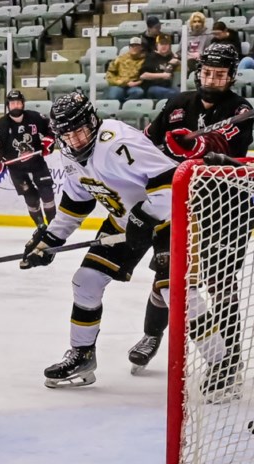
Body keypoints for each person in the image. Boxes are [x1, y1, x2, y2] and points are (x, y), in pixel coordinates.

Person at [20, 91, 177, 388]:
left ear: (92, 122)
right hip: (124, 222)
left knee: (178, 294)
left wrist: (144, 216)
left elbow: (170, 180)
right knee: (86, 281)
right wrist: (50, 240)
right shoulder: (68, 155)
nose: (76, 140)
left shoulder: (116, 141)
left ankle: (222, 362)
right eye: (68, 134)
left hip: (168, 221)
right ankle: (82, 355)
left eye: (80, 131)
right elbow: (76, 204)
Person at [134, 43, 254, 386]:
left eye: (220, 75)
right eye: (207, 73)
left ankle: (229, 360)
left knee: (220, 283)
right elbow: (149, 141)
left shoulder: (241, 109)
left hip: (227, 208)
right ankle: (151, 335)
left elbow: (224, 150)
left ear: (230, 77)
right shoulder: (177, 103)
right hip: (182, 204)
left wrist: (196, 147)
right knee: (167, 272)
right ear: (198, 72)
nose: (212, 80)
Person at [0, 90, 57, 227]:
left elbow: (52, 129)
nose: (16, 106)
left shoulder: (35, 117)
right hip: (16, 169)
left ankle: (53, 226)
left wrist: (49, 140)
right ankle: (40, 226)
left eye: (18, 103)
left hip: (37, 163)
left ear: (23, 104)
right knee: (31, 198)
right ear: (8, 105)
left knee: (47, 193)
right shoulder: (1, 124)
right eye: (12, 103)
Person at [138, 34, 180, 100]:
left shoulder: (172, 57)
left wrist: (179, 62)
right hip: (152, 87)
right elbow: (143, 75)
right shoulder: (150, 57)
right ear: (157, 46)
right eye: (161, 44)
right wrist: (162, 75)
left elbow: (187, 70)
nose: (164, 46)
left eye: (166, 44)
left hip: (168, 86)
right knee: (173, 94)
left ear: (170, 46)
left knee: (183, 94)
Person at [106, 37, 146, 103]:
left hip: (134, 85)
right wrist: (124, 82)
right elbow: (110, 74)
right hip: (119, 84)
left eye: (137, 46)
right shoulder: (120, 59)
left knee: (138, 92)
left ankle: (124, 106)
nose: (134, 48)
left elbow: (146, 76)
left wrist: (138, 82)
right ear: (129, 47)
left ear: (141, 48)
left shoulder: (144, 60)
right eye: (132, 46)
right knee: (114, 96)